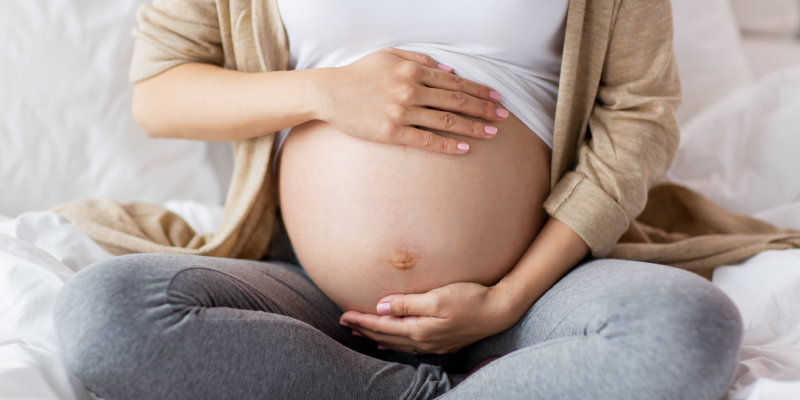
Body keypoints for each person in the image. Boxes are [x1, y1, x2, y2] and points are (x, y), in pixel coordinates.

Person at [54, 0, 743, 399]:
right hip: (316, 307)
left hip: (531, 294)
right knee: (103, 315)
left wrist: (505, 299)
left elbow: (639, 117)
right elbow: (160, 94)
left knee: (685, 328)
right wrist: (323, 92)